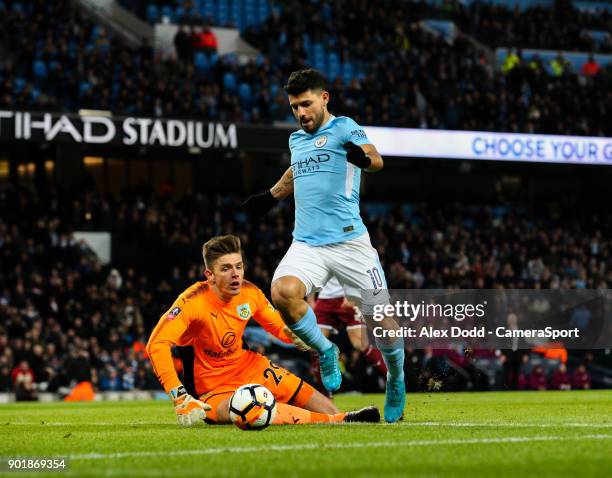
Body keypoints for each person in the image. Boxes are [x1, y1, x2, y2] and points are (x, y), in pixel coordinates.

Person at [242, 69, 405, 423]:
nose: (301, 113)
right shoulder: (296, 140)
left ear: (324, 98)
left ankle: (396, 379)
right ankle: (326, 349)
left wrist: (363, 160)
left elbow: (375, 158)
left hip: (350, 243)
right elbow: (295, 172)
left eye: (306, 104)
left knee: (383, 321)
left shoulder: (345, 126)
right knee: (282, 291)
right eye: (294, 107)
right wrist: (269, 197)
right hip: (307, 244)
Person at [146, 234, 380, 426]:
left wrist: (293, 335)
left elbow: (276, 324)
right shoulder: (191, 302)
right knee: (250, 410)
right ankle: (341, 420)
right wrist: (179, 395)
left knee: (326, 407)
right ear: (210, 275)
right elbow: (156, 344)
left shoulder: (249, 293)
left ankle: (339, 417)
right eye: (226, 268)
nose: (235, 274)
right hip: (212, 389)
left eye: (238, 266)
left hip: (251, 367)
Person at [312, 276, 387, 392]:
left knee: (360, 345)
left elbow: (363, 267)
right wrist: (310, 300)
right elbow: (312, 271)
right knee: (315, 346)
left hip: (348, 297)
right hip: (325, 299)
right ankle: (324, 394)